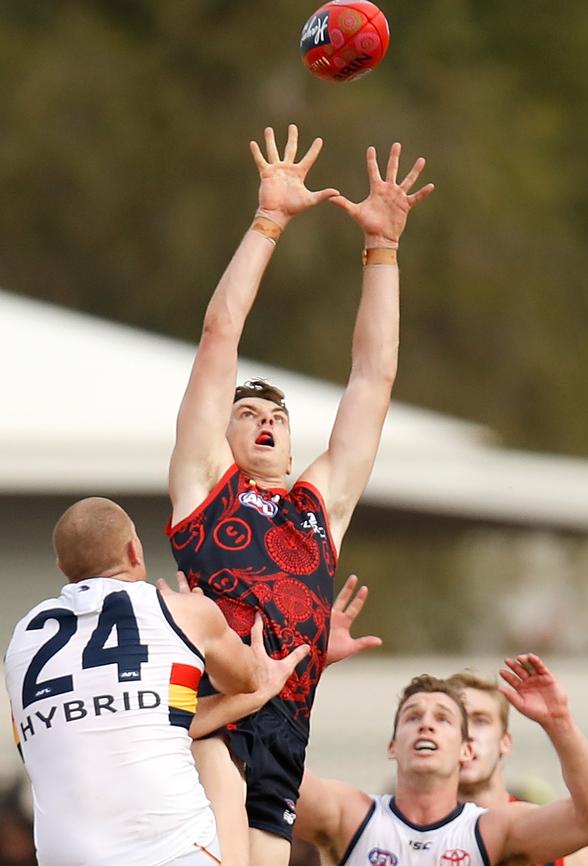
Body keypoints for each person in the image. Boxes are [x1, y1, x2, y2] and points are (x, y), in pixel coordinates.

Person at [166, 124, 433, 866]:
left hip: (286, 729)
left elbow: (373, 377)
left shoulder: (320, 506)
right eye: (246, 414)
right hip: (210, 715)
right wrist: (269, 222)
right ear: (221, 436)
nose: (265, 423)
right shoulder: (204, 488)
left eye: (277, 418)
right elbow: (220, 334)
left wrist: (382, 250)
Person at [3, 497, 308, 866]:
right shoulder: (182, 611)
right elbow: (246, 678)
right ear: (135, 550)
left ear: (63, 568)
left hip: (64, 857)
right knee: (213, 752)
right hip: (171, 851)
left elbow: (137, 723)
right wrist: (209, 632)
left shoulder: (22, 639)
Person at [294, 654, 588, 866]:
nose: (426, 724)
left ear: (465, 749)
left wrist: (559, 721)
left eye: (445, 718)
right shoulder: (352, 814)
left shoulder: (499, 829)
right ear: (392, 745)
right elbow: (270, 769)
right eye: (412, 716)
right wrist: (305, 664)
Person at [448, 669, 588, 866]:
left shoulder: (560, 842)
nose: (466, 733)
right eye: (452, 721)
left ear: (505, 742)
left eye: (480, 721)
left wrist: (560, 721)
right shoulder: (410, 834)